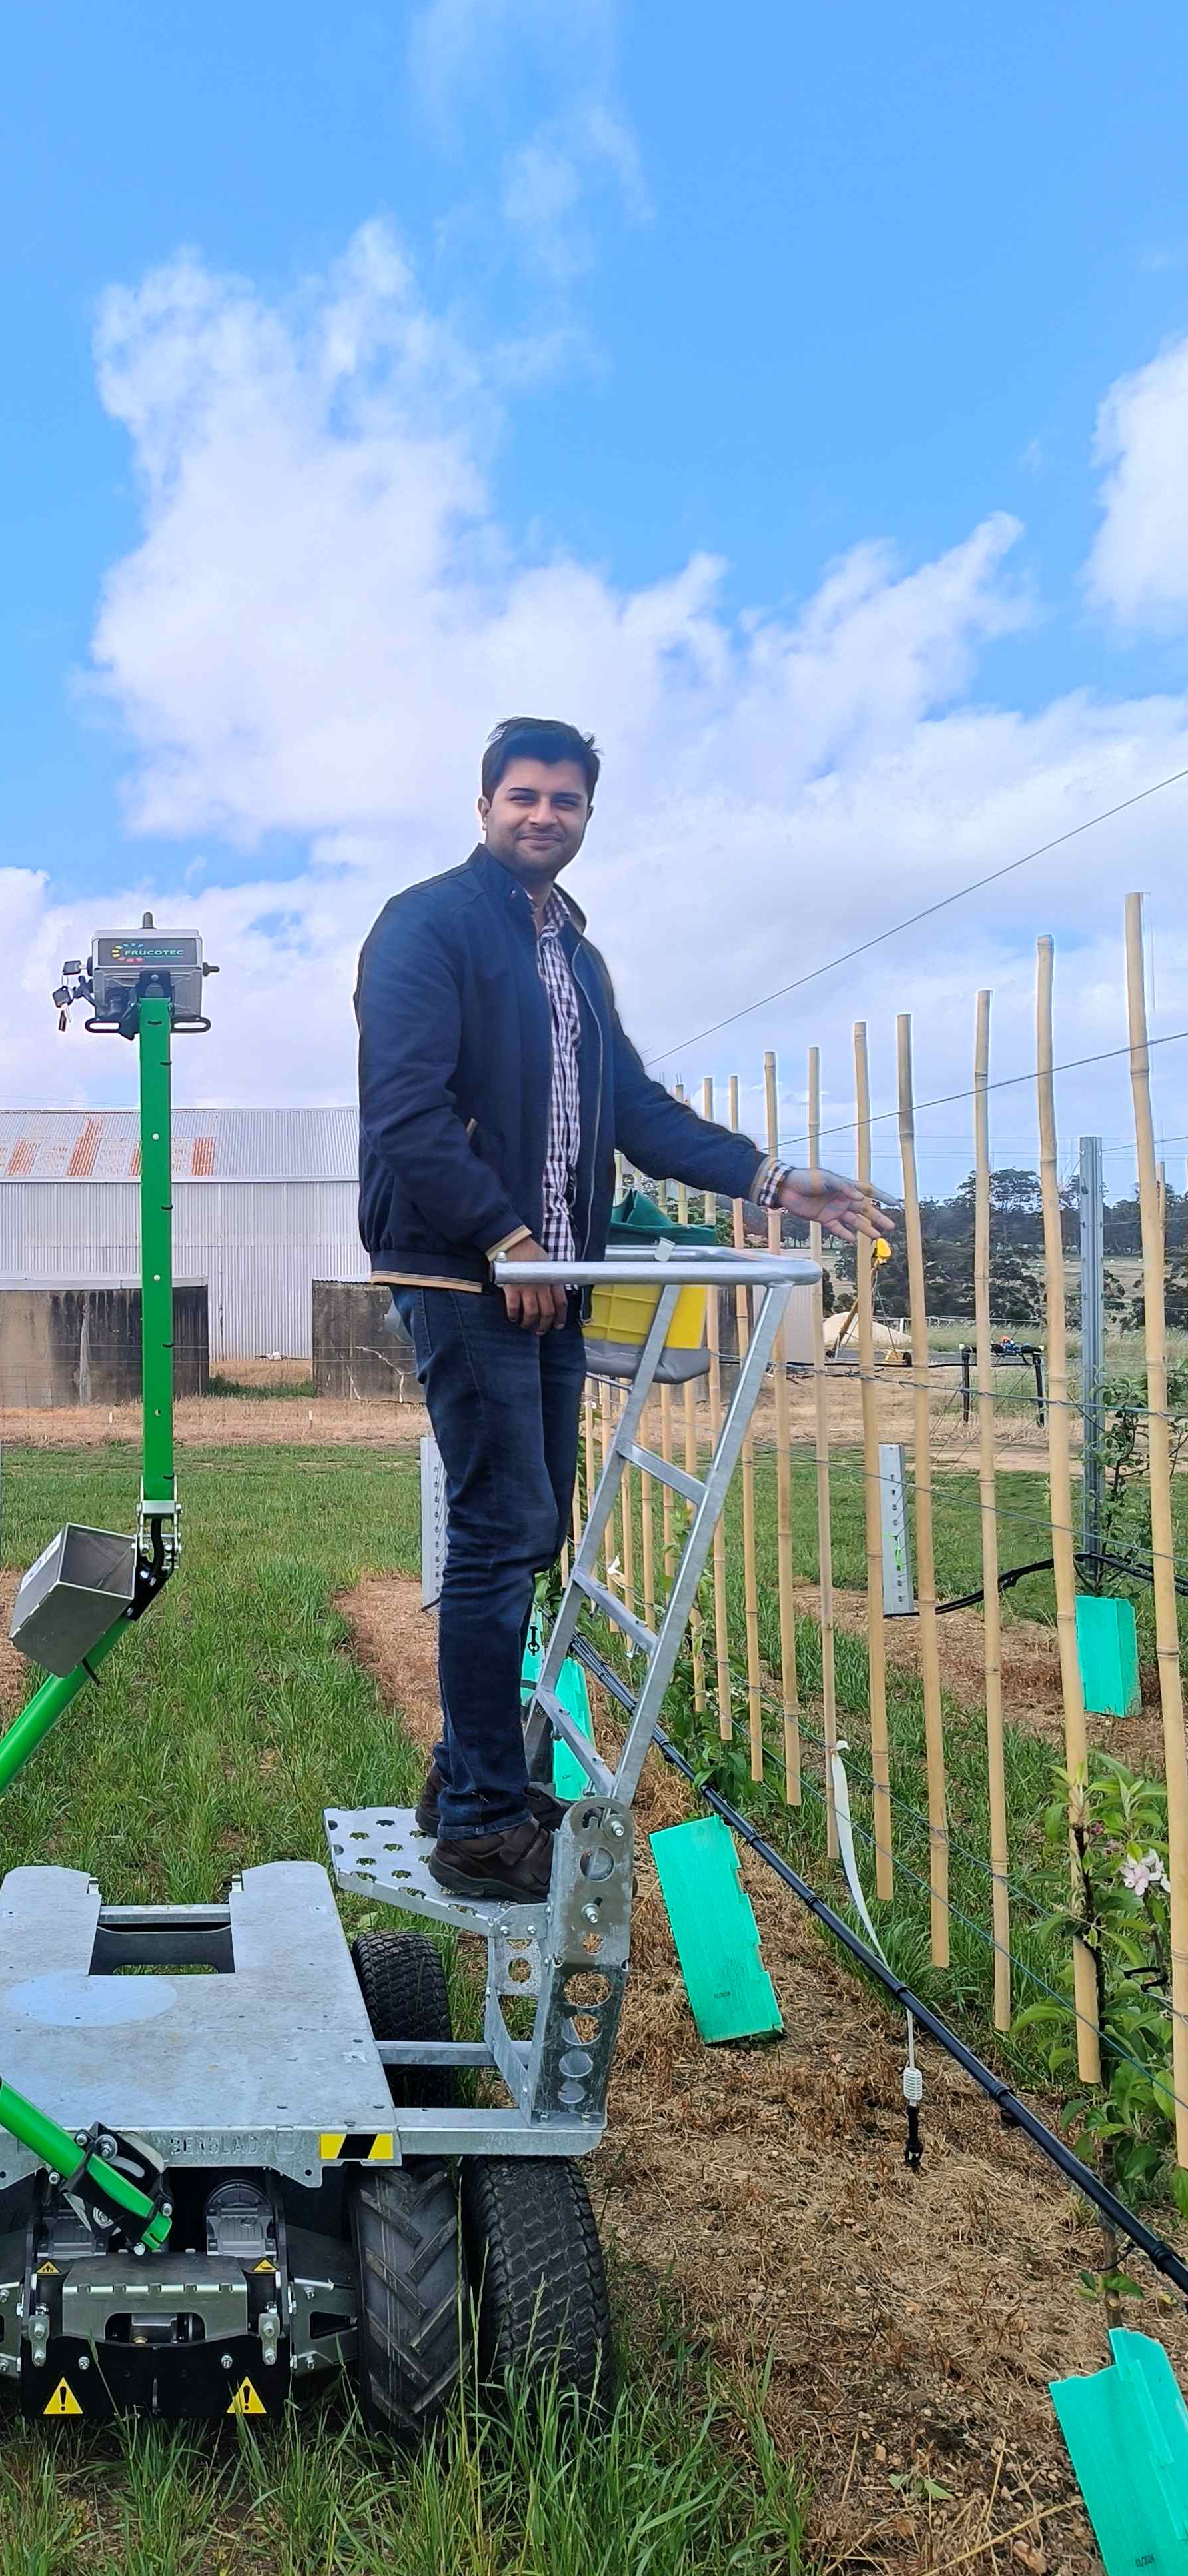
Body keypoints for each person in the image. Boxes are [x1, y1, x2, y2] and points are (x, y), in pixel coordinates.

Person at [355, 716, 888, 1904]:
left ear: (588, 817)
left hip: (560, 1278)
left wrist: (769, 1179)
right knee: (503, 1530)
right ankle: (485, 1821)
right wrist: (504, 1236)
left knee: (533, 1527)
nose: (546, 816)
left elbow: (635, 1111)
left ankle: (467, 1769)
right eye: (525, 796)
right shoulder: (427, 925)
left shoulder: (574, 958)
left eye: (568, 802)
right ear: (484, 803)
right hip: (467, 1272)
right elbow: (406, 1110)